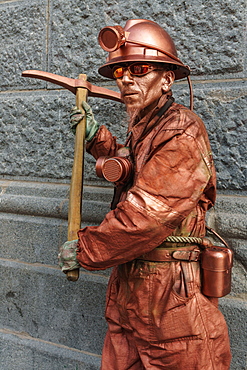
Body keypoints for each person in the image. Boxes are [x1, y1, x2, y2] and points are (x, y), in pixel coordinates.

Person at [59, 19, 232, 369]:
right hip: (132, 288)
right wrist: (97, 140)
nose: (125, 79)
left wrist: (87, 248)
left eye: (138, 69)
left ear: (167, 79)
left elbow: (147, 214)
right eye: (121, 70)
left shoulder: (182, 130)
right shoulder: (148, 126)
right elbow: (137, 167)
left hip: (171, 299)